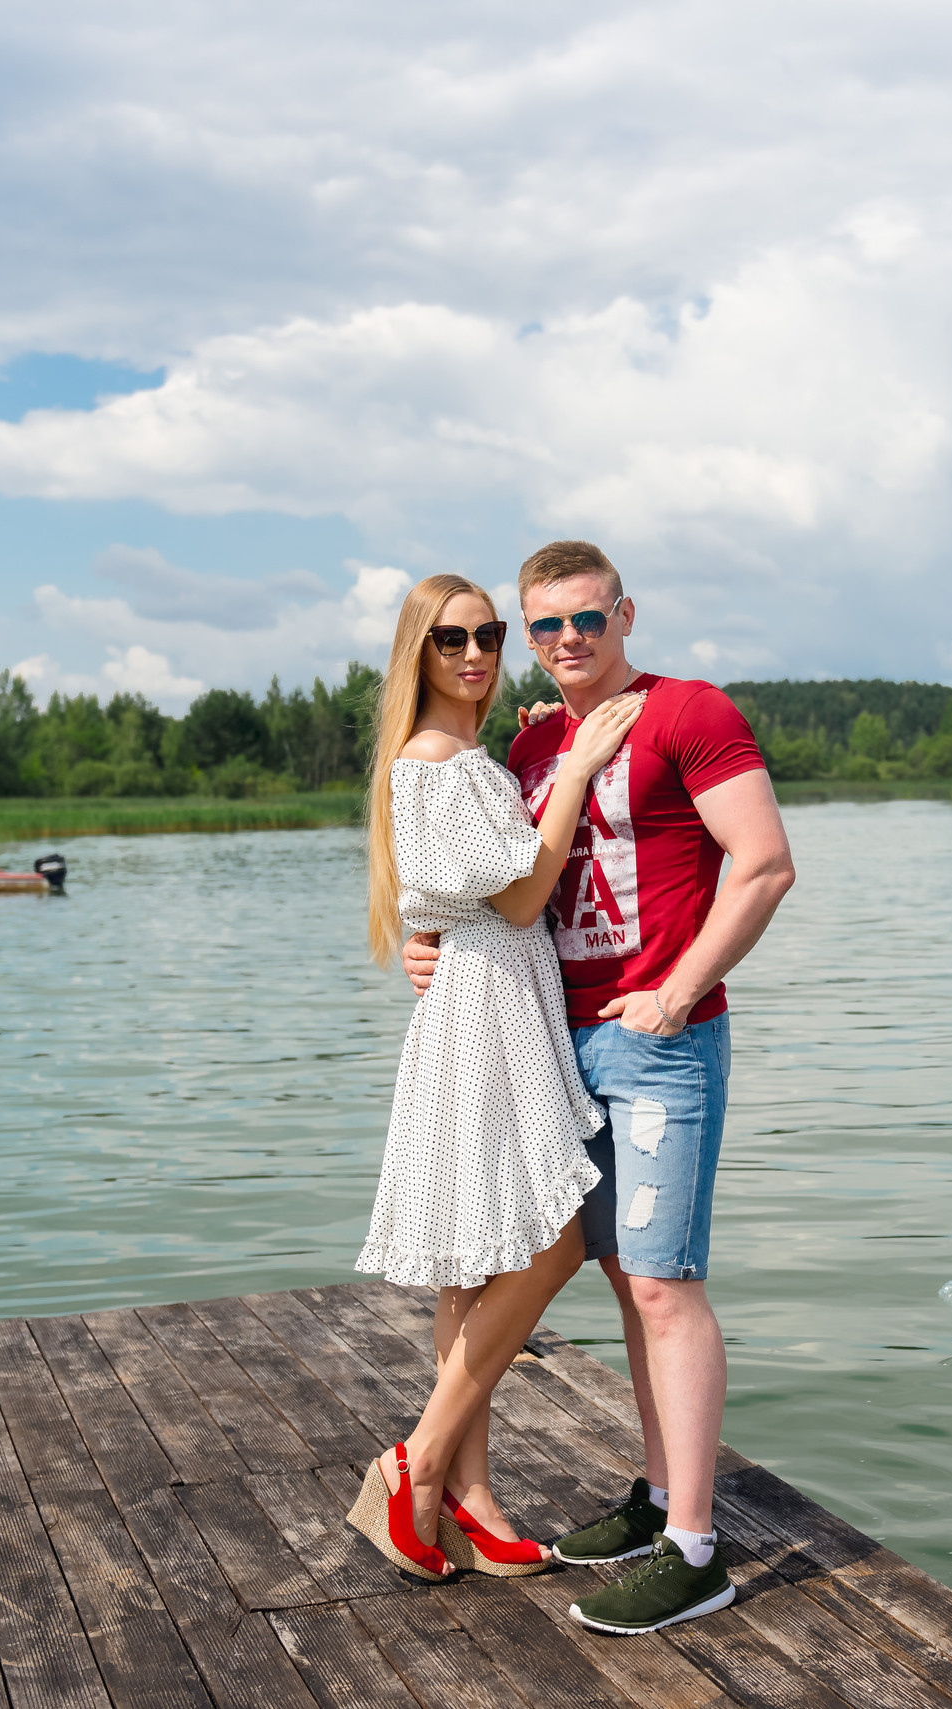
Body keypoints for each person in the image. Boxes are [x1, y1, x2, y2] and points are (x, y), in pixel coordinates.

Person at [403, 539, 796, 1636]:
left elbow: (763, 861)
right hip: (551, 1039)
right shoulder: (534, 742)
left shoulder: (687, 711)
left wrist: (677, 991)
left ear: (624, 613)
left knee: (667, 1283)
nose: (566, 639)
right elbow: (494, 881)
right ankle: (661, 1493)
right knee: (627, 1281)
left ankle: (697, 1549)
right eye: (544, 625)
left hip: (657, 1042)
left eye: (586, 618)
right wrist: (421, 947)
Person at [346, 571, 649, 1586]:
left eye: (485, 635)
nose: (473, 654)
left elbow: (473, 886)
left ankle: (465, 1497)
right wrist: (575, 768)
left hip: (486, 995)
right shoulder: (435, 760)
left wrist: (534, 754)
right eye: (448, 641)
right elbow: (520, 898)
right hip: (486, 1005)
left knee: (473, 1263)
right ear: (416, 655)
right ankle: (417, 1458)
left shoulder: (465, 756)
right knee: (554, 1239)